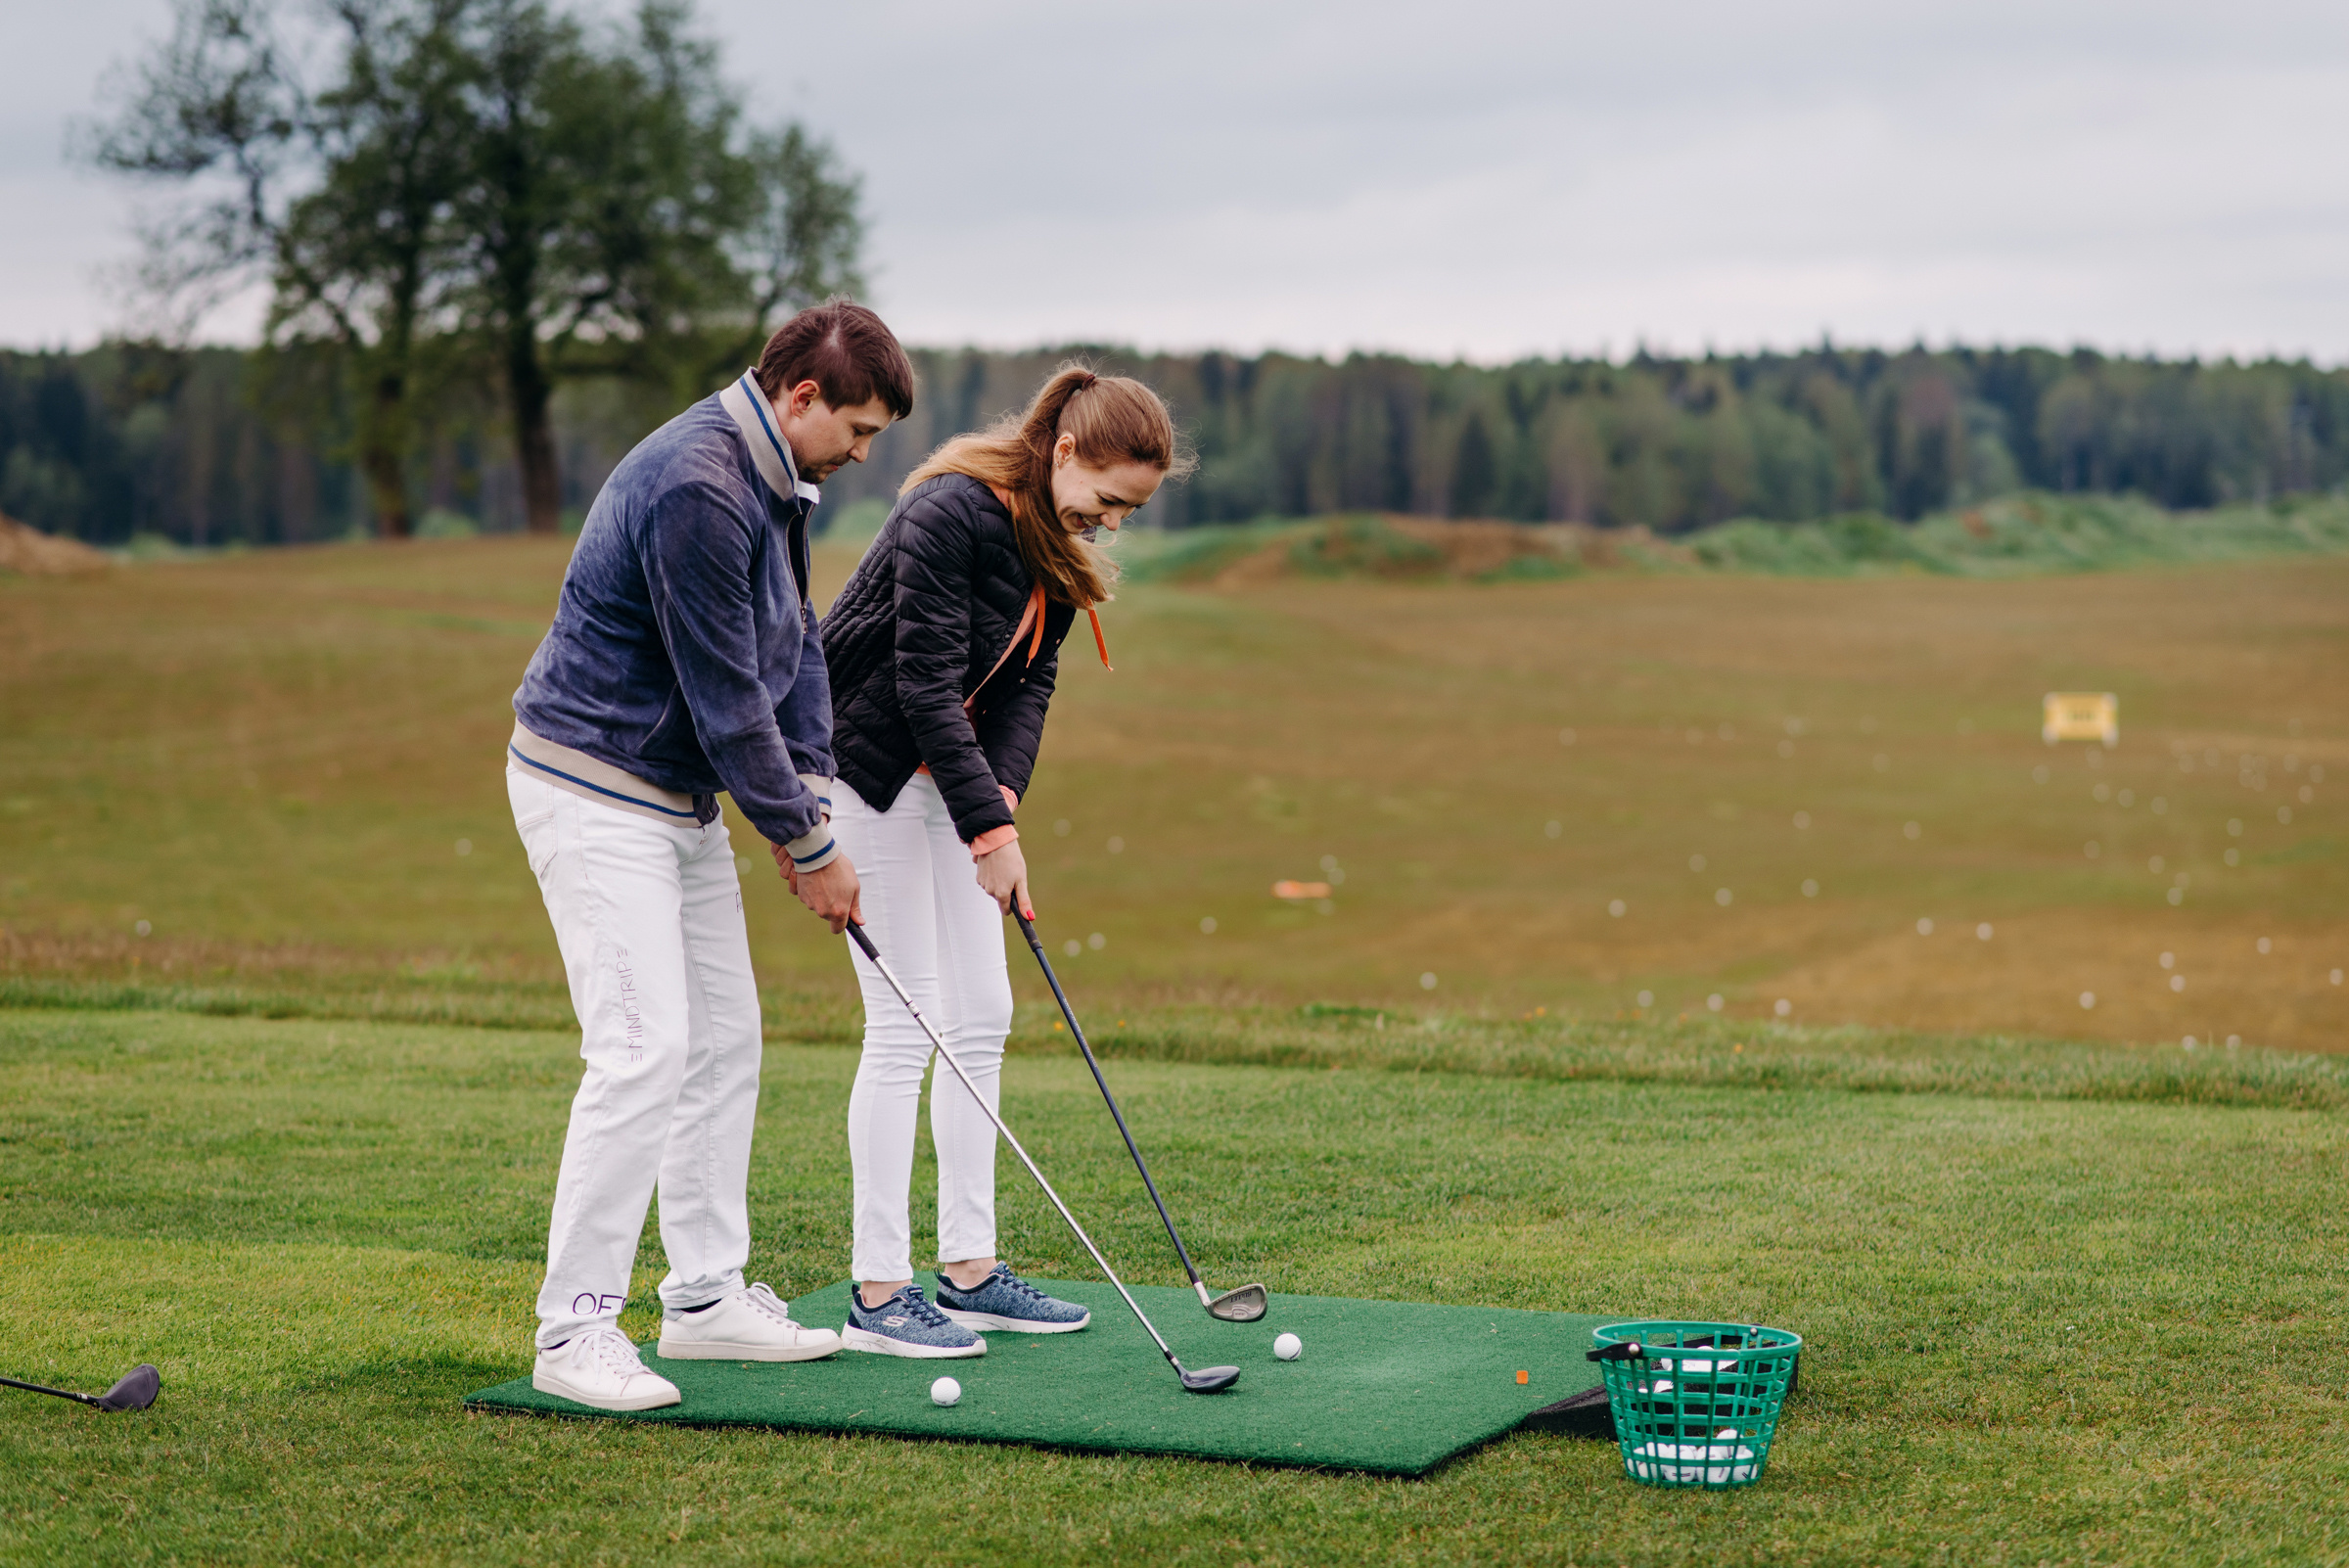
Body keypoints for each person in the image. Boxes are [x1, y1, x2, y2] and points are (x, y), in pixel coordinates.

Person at [505, 300, 912, 1409]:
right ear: (801, 397)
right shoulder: (700, 483)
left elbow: (798, 648)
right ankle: (573, 1331)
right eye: (860, 430)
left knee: (726, 1037)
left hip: (673, 795)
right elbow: (726, 692)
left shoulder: (777, 474)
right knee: (643, 1050)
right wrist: (804, 840)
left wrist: (811, 797)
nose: (864, 455)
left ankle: (703, 1299)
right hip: (594, 788)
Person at [813, 365, 1193, 1357]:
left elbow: (1030, 685)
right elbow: (923, 685)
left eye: (1128, 512)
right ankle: (879, 1291)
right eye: (1107, 500)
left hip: (952, 778)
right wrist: (994, 835)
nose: (1110, 522)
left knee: (983, 1013)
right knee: (909, 1025)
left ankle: (970, 1270)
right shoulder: (950, 511)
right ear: (1064, 452)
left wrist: (1002, 808)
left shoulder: (1053, 539)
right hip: (865, 767)